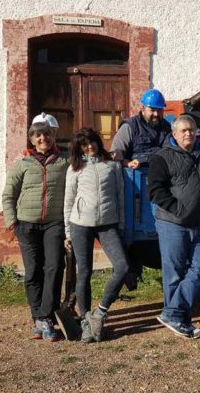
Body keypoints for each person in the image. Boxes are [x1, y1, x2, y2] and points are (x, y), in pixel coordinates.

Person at [148, 114, 200, 339]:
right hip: (172, 223)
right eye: (183, 130)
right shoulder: (162, 157)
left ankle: (172, 313)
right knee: (174, 273)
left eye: (191, 130)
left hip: (199, 224)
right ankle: (180, 320)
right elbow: (155, 191)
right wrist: (178, 209)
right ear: (174, 134)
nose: (188, 134)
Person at [2, 121, 69, 341]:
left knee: (55, 267)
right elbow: (8, 195)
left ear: (53, 136)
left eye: (47, 134)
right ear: (32, 139)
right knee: (33, 271)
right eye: (38, 135)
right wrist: (12, 222)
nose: (43, 139)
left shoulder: (64, 162)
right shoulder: (22, 164)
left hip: (54, 223)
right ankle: (38, 318)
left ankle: (46, 316)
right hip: (27, 225)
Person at [63, 128, 130, 343]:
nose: (90, 147)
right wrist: (67, 231)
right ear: (79, 148)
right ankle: (85, 321)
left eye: (92, 142)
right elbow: (68, 200)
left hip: (108, 224)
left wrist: (121, 224)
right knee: (84, 272)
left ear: (98, 142)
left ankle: (100, 312)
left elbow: (120, 195)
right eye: (84, 144)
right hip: (80, 224)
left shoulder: (112, 165)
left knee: (122, 267)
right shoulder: (75, 168)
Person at [111, 88, 172, 169]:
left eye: (159, 110)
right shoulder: (129, 127)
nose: (156, 114)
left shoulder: (167, 127)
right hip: (134, 174)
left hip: (160, 172)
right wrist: (127, 163)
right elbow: (115, 154)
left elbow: (172, 151)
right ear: (143, 109)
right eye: (152, 110)